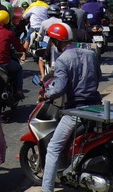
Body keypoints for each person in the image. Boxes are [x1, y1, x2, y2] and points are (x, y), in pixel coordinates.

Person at [39, 23, 102, 192]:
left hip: (76, 110)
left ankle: (47, 189)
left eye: (52, 42)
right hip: (96, 107)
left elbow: (58, 88)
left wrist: (46, 93)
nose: (52, 45)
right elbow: (98, 77)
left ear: (57, 41)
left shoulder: (62, 60)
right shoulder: (91, 54)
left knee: (53, 148)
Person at [0, 10, 26, 101]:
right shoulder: (8, 33)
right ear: (8, 21)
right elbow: (19, 47)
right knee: (18, 69)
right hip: (3, 63)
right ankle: (18, 91)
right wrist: (23, 49)